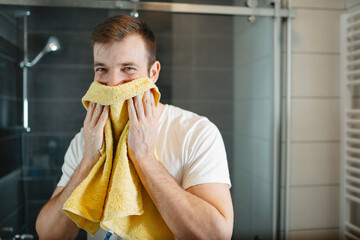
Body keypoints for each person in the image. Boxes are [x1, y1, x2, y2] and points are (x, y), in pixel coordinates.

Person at [35, 15, 233, 240]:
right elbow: (49, 235)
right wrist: (89, 160)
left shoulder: (196, 133)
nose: (112, 83)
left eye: (128, 68)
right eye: (102, 69)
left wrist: (145, 158)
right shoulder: (86, 139)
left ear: (153, 73)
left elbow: (215, 236)